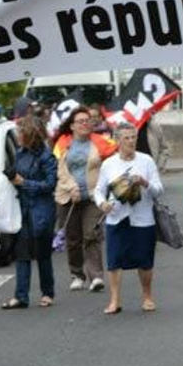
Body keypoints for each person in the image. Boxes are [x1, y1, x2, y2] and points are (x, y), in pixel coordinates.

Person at [94, 122, 164, 315]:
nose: (131, 141)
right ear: (117, 140)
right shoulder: (109, 164)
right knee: (114, 260)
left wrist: (144, 182)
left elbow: (159, 190)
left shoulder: (146, 161)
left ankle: (147, 296)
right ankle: (114, 300)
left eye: (133, 137)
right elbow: (99, 191)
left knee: (144, 260)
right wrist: (102, 204)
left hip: (142, 218)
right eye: (126, 138)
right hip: (117, 217)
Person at [53, 107, 114, 293]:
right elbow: (60, 171)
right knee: (73, 238)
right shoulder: (63, 144)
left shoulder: (100, 143)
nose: (85, 123)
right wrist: (72, 187)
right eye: (80, 121)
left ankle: (96, 277)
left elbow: (108, 167)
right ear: (71, 126)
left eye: (87, 120)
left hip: (93, 197)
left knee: (91, 235)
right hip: (68, 197)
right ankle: (77, 275)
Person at [2, 114, 59, 310]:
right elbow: (16, 177)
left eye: (20, 132)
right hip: (22, 210)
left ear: (29, 134)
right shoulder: (20, 154)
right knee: (22, 254)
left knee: (42, 254)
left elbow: (50, 185)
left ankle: (47, 293)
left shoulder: (46, 156)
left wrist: (24, 183)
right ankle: (21, 296)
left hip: (41, 211)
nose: (17, 135)